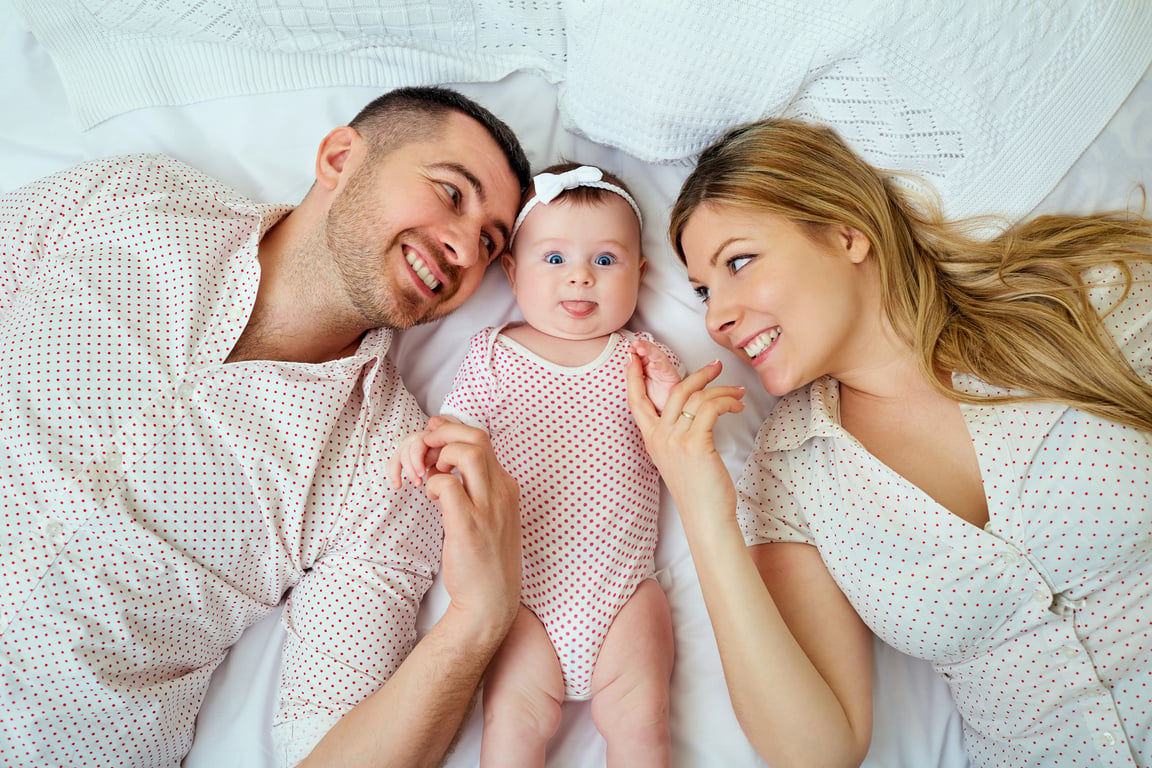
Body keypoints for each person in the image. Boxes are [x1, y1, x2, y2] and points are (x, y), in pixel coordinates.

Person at [0, 86, 533, 768]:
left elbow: (329, 755)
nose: (464, 247)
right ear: (340, 157)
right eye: (451, 194)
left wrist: (479, 620)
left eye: (489, 242)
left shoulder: (392, 468)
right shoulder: (135, 199)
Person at [626, 118, 1152, 768]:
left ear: (848, 231)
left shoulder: (1077, 300)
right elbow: (817, 750)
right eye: (704, 291)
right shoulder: (792, 472)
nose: (715, 317)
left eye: (738, 262)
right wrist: (702, 506)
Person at [390, 163, 682, 766]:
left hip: (623, 586)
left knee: (643, 715)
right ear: (513, 273)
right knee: (513, 720)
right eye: (555, 259)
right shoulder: (493, 355)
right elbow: (456, 433)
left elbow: (680, 442)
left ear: (639, 274)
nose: (580, 275)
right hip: (523, 594)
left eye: (606, 260)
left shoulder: (641, 355)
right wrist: (426, 445)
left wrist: (670, 389)